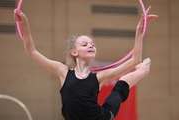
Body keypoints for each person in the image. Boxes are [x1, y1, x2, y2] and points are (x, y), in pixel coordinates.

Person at [13, 6, 158, 120]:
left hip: (101, 117)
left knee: (120, 88)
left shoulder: (99, 77)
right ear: (74, 52)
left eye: (92, 44)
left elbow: (134, 60)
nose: (91, 45)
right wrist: (24, 23)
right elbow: (31, 51)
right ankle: (142, 70)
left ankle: (143, 70)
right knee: (120, 85)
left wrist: (139, 30)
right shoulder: (63, 71)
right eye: (85, 44)